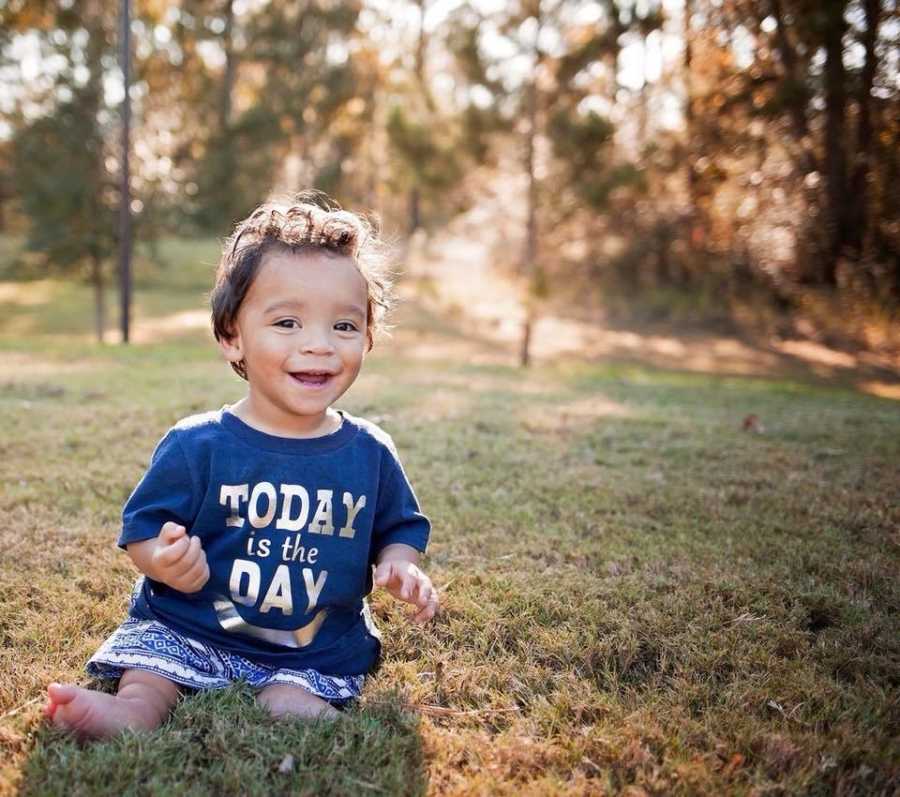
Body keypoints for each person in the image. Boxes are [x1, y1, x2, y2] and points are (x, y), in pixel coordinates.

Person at [45, 191, 438, 739]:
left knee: (290, 695)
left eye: (344, 327)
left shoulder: (368, 452)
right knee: (150, 672)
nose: (320, 346)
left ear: (368, 337)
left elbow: (399, 528)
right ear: (233, 338)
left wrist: (400, 563)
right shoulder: (197, 445)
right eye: (287, 323)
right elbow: (142, 531)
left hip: (309, 643)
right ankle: (131, 713)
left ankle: (298, 708)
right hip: (191, 624)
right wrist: (163, 560)